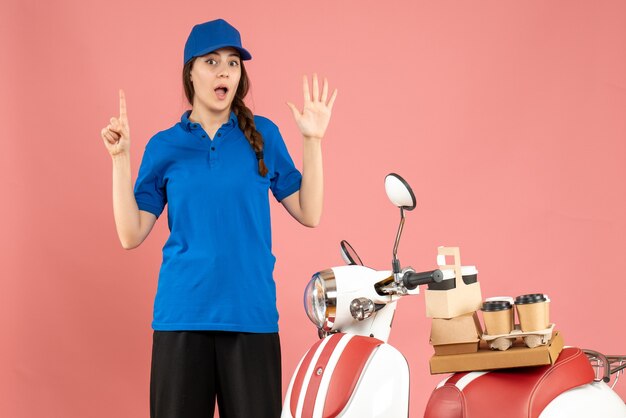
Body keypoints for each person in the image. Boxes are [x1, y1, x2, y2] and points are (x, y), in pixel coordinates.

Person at [100, 18, 337, 418]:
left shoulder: (262, 135)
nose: (224, 70)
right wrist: (120, 160)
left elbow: (309, 212)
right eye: (211, 62)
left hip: (251, 315)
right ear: (190, 72)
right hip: (182, 316)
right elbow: (130, 234)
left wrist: (312, 141)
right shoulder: (164, 146)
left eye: (232, 62)